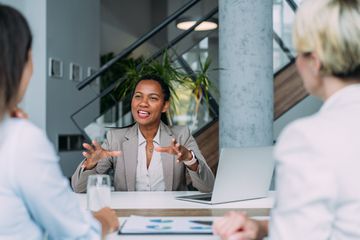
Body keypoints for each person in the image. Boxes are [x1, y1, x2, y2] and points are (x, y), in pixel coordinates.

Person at [213, 0, 360, 239]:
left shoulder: (307, 138)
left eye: (299, 54)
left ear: (316, 61)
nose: (298, 63)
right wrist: (261, 228)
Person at [0, 5, 119, 239]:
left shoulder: (180, 136)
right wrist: (105, 218)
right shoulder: (21, 139)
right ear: (23, 61)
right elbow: (80, 233)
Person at [71, 75, 215, 193]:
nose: (143, 103)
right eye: (138, 96)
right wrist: (90, 165)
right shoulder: (116, 138)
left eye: (152, 98)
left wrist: (190, 159)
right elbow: (79, 188)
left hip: (170, 216)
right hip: (128, 216)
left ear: (165, 105)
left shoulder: (181, 136)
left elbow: (209, 187)